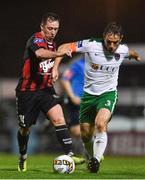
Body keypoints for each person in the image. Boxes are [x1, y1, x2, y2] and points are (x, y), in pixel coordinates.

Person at [52, 22, 141, 173]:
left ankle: (96, 159)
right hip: (88, 96)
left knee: (101, 123)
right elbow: (63, 47)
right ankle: (91, 156)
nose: (112, 46)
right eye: (109, 42)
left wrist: (135, 56)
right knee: (86, 135)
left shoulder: (122, 49)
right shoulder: (91, 45)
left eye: (115, 42)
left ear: (121, 39)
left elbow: (129, 52)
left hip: (108, 94)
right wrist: (55, 68)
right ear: (103, 37)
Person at [15, 12, 83, 172]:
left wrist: (55, 68)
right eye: (50, 28)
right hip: (27, 92)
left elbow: (57, 52)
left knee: (59, 119)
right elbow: (40, 54)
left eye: (56, 29)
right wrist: (59, 54)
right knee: (25, 128)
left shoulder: (53, 44)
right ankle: (23, 156)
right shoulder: (36, 39)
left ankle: (70, 154)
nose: (52, 32)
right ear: (42, 27)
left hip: (45, 90)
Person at [60, 56, 87, 156]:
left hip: (89, 101)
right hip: (76, 101)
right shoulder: (78, 65)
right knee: (76, 131)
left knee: (95, 127)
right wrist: (72, 96)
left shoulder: (98, 65)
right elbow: (64, 79)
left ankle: (88, 154)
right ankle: (78, 153)